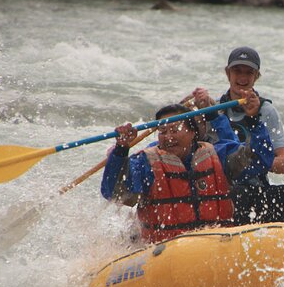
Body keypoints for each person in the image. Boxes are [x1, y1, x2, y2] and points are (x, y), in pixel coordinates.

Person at [101, 94, 274, 244]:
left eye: (175, 129)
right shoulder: (146, 162)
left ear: (193, 133)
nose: (168, 137)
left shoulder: (218, 155)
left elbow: (259, 160)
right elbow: (116, 193)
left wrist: (253, 119)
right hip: (162, 252)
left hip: (216, 244)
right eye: (163, 131)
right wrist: (121, 150)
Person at [184, 46, 284, 225]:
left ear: (256, 76)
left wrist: (254, 158)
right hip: (220, 188)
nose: (242, 78)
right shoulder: (211, 108)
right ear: (227, 73)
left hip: (255, 186)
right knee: (239, 192)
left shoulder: (266, 111)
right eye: (237, 71)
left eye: (249, 72)